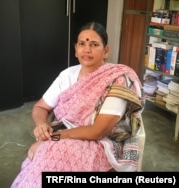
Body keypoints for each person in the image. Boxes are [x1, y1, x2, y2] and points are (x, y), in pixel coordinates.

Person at [11, 21, 145, 188]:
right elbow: (40, 107)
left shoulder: (117, 79)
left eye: (94, 44)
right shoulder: (67, 75)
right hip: (65, 133)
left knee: (52, 153)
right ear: (76, 49)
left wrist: (51, 139)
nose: (87, 50)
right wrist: (41, 124)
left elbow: (98, 131)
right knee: (43, 158)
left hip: (101, 143)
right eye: (82, 44)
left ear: (106, 51)